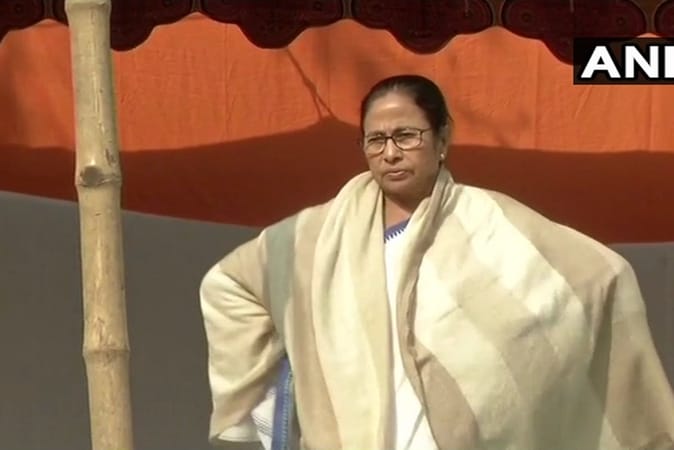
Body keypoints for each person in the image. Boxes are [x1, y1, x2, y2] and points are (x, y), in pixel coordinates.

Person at [200, 74, 674, 450]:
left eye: (406, 136)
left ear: (442, 137)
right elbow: (228, 285)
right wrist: (272, 380)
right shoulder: (315, 235)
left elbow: (603, 275)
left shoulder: (491, 222)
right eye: (375, 140)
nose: (389, 153)